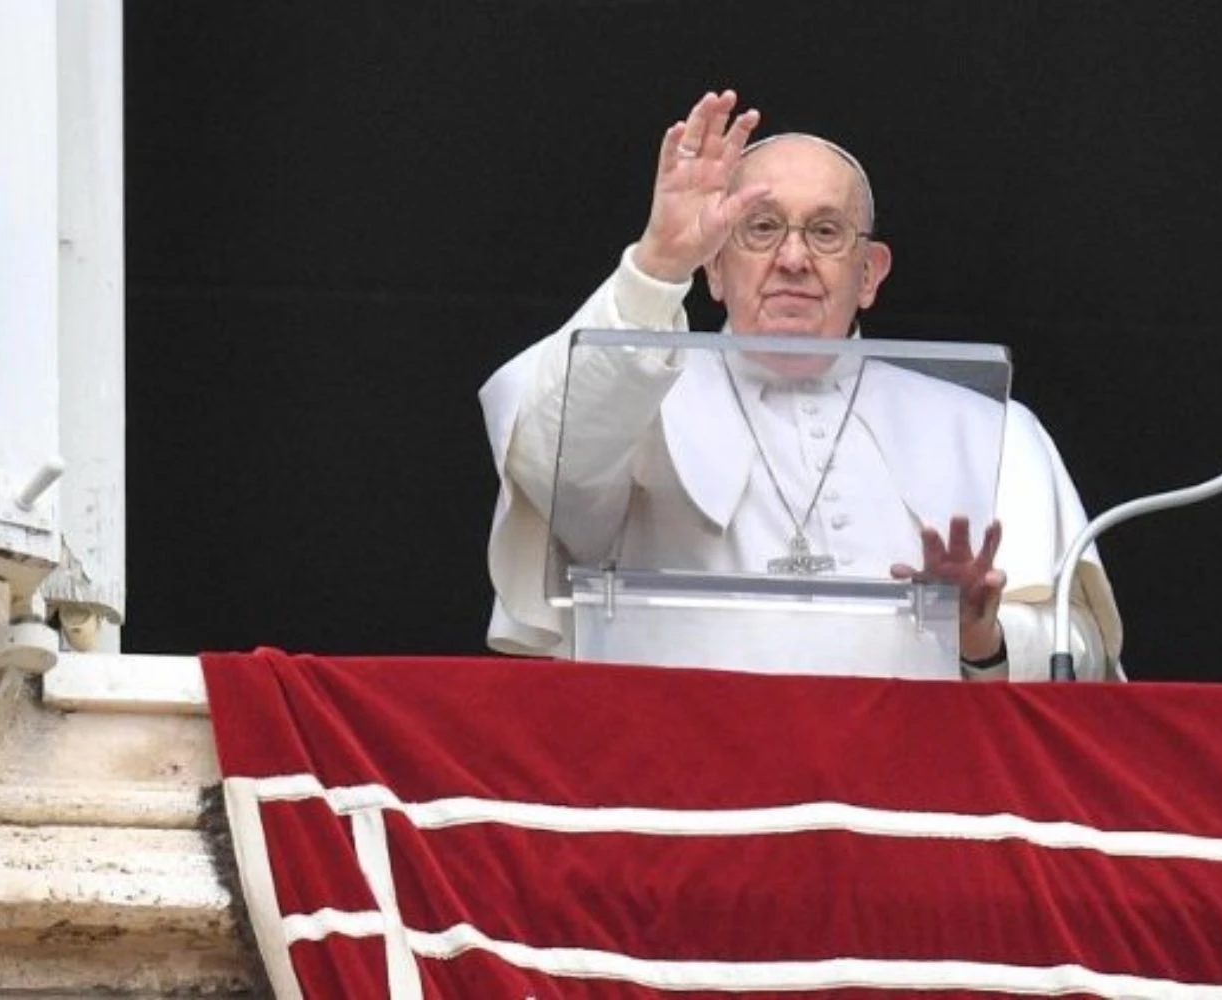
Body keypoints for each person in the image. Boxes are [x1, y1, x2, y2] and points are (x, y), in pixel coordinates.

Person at [480, 90, 1123, 681]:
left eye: (825, 231)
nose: (793, 260)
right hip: (680, 794)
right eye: (760, 229)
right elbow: (549, 461)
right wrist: (657, 262)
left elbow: (1084, 661)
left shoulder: (992, 431)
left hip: (906, 795)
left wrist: (983, 637)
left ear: (869, 273)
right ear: (714, 267)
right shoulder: (632, 400)